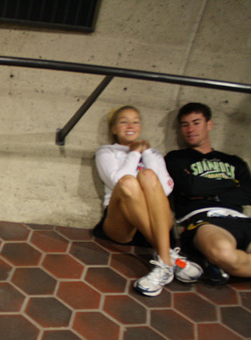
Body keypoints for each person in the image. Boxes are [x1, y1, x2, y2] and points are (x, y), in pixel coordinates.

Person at [93, 105, 202, 296]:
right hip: (121, 223)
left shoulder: (154, 154)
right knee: (128, 183)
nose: (130, 125)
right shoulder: (107, 152)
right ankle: (167, 256)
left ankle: (164, 263)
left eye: (136, 121)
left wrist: (147, 153)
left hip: (156, 219)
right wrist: (134, 153)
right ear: (114, 129)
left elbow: (166, 187)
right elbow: (116, 181)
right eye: (123, 121)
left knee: (149, 176)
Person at [165, 102, 251, 285]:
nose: (190, 129)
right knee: (224, 253)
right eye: (184, 124)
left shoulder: (234, 162)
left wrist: (212, 193)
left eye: (196, 122)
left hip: (241, 219)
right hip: (204, 219)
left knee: (232, 257)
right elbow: (190, 188)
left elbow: (248, 193)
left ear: (209, 125)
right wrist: (229, 186)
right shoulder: (176, 158)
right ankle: (224, 263)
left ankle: (225, 266)